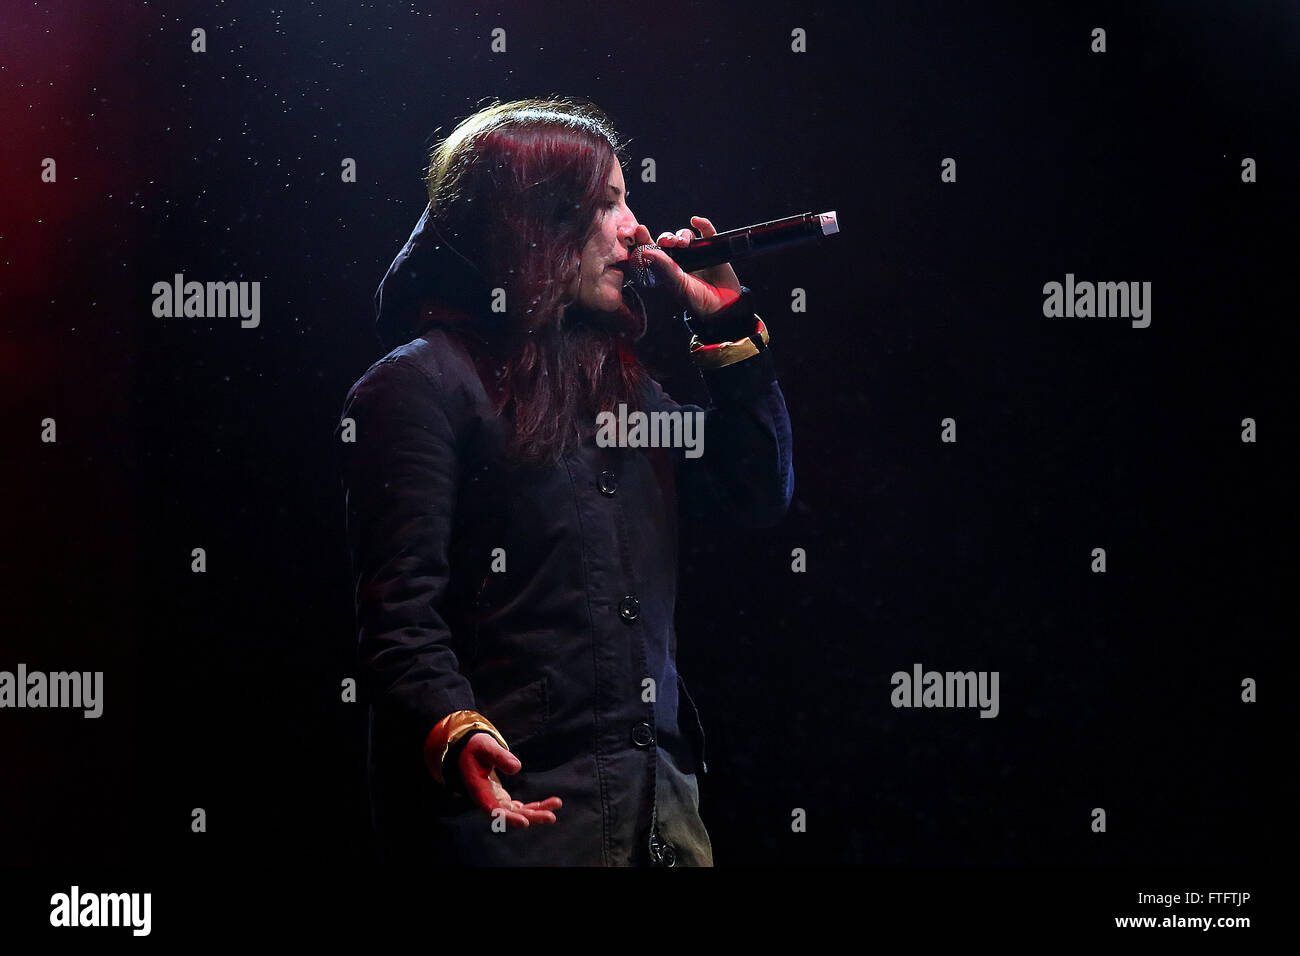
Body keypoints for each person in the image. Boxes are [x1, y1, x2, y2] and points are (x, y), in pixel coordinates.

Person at [336, 97, 794, 866]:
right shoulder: (419, 388)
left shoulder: (626, 396)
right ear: (533, 223)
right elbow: (399, 613)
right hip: (520, 824)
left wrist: (723, 324)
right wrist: (453, 726)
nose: (637, 229)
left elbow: (754, 492)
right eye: (607, 203)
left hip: (661, 820)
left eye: (628, 201)